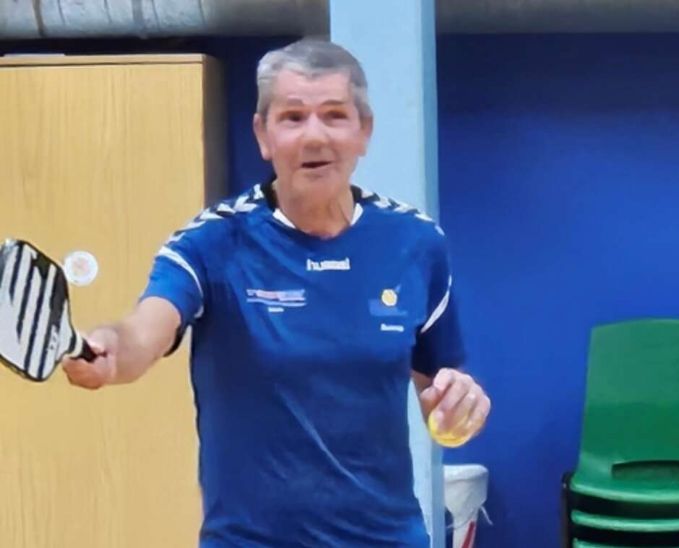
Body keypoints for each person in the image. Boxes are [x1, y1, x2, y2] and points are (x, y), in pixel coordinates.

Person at [60, 38, 490, 547]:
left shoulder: (416, 244)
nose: (315, 136)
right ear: (263, 135)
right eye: (292, 117)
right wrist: (109, 352)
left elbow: (439, 393)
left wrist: (459, 411)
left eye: (335, 115)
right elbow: (143, 332)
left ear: (364, 131)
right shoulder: (213, 242)